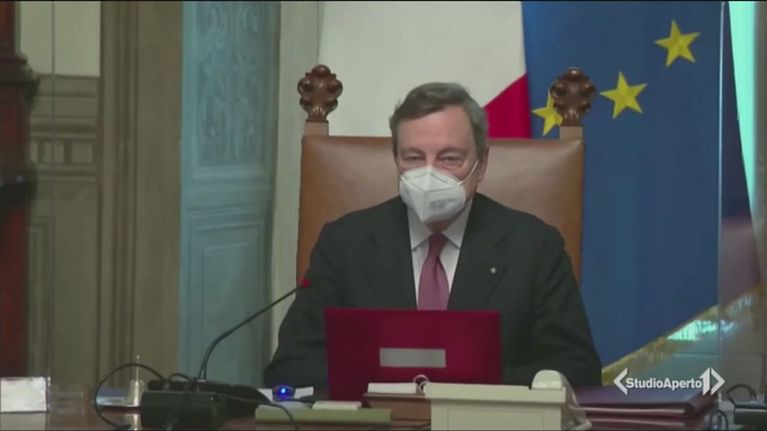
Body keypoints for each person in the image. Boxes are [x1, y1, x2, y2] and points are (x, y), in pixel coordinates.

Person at [263, 82, 602, 390]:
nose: (429, 175)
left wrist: (465, 385)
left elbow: (578, 370)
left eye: (449, 158)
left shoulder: (535, 247)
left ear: (482, 164)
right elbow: (290, 367)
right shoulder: (345, 244)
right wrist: (387, 388)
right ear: (396, 160)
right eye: (413, 158)